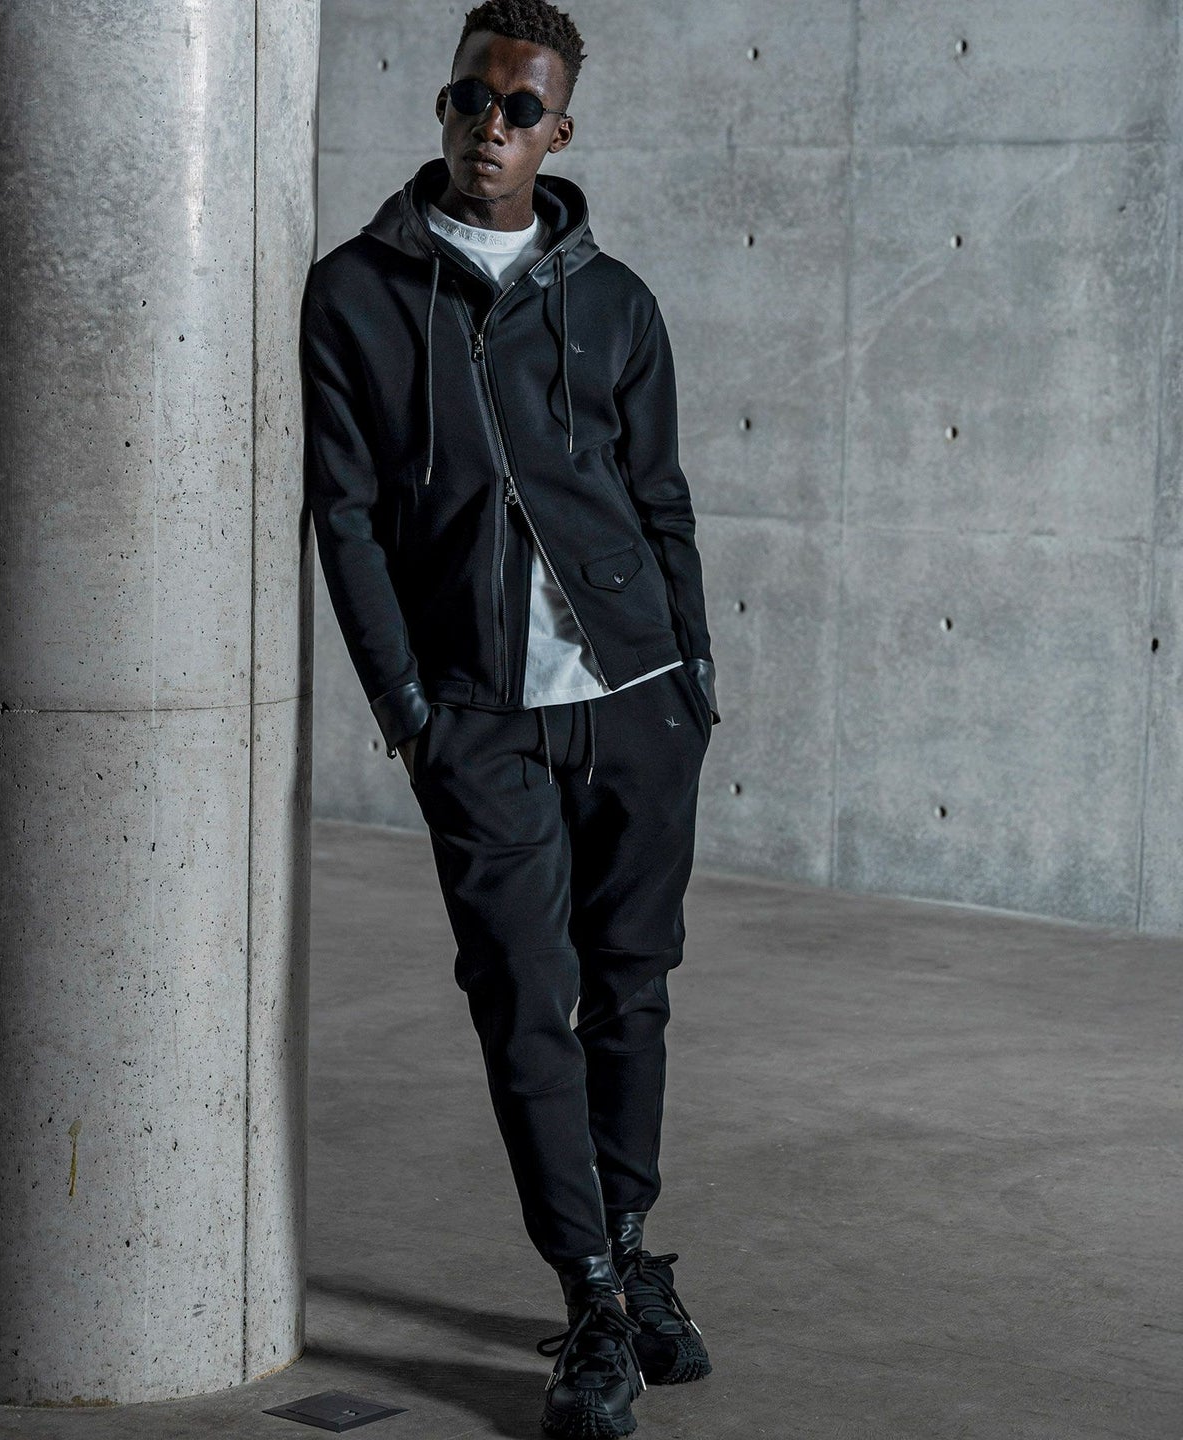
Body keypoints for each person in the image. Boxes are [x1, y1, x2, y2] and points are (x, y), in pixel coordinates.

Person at [301, 2, 720, 1433]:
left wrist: (692, 677)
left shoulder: (616, 302)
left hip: (636, 701)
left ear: (560, 129)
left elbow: (661, 498)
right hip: (478, 717)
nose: (492, 125)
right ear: (444, 104)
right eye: (472, 97)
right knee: (524, 1002)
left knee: (632, 987)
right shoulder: (357, 292)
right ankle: (590, 1296)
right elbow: (346, 517)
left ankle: (633, 1249)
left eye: (521, 107)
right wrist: (409, 710)